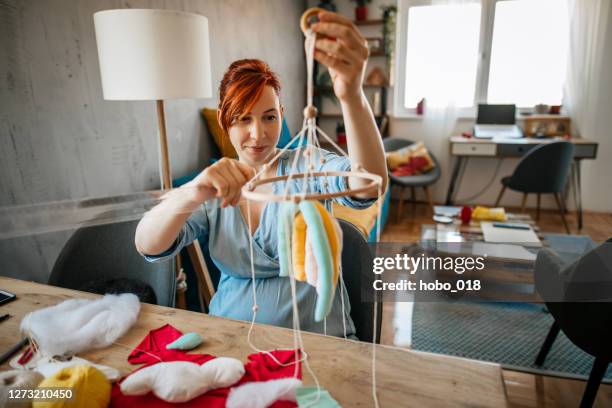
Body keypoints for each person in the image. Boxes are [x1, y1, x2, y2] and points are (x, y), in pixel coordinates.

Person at [135, 11, 388, 338]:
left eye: (269, 117)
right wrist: (192, 192)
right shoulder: (213, 185)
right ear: (226, 123)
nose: (259, 134)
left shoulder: (305, 165)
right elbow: (148, 245)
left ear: (281, 115)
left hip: (320, 344)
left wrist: (351, 95)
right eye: (243, 119)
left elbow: (368, 184)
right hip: (230, 342)